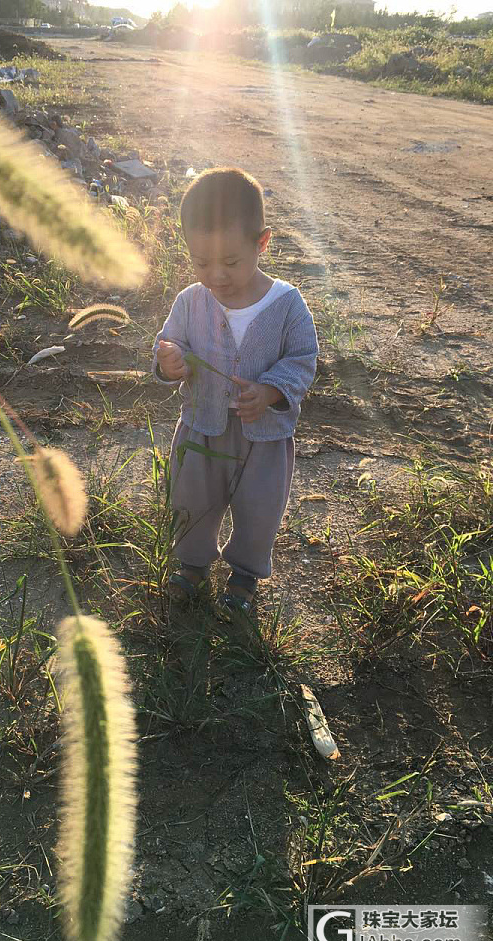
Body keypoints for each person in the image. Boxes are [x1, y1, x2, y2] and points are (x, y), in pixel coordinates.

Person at [152, 167, 318, 614]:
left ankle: (245, 574)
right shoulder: (191, 300)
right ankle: (191, 563)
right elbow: (171, 345)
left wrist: (271, 391)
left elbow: (303, 358)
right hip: (201, 426)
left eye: (230, 262)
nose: (216, 276)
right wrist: (171, 362)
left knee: (259, 508)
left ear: (261, 243)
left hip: (263, 436)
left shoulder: (286, 304)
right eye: (201, 262)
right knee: (192, 498)